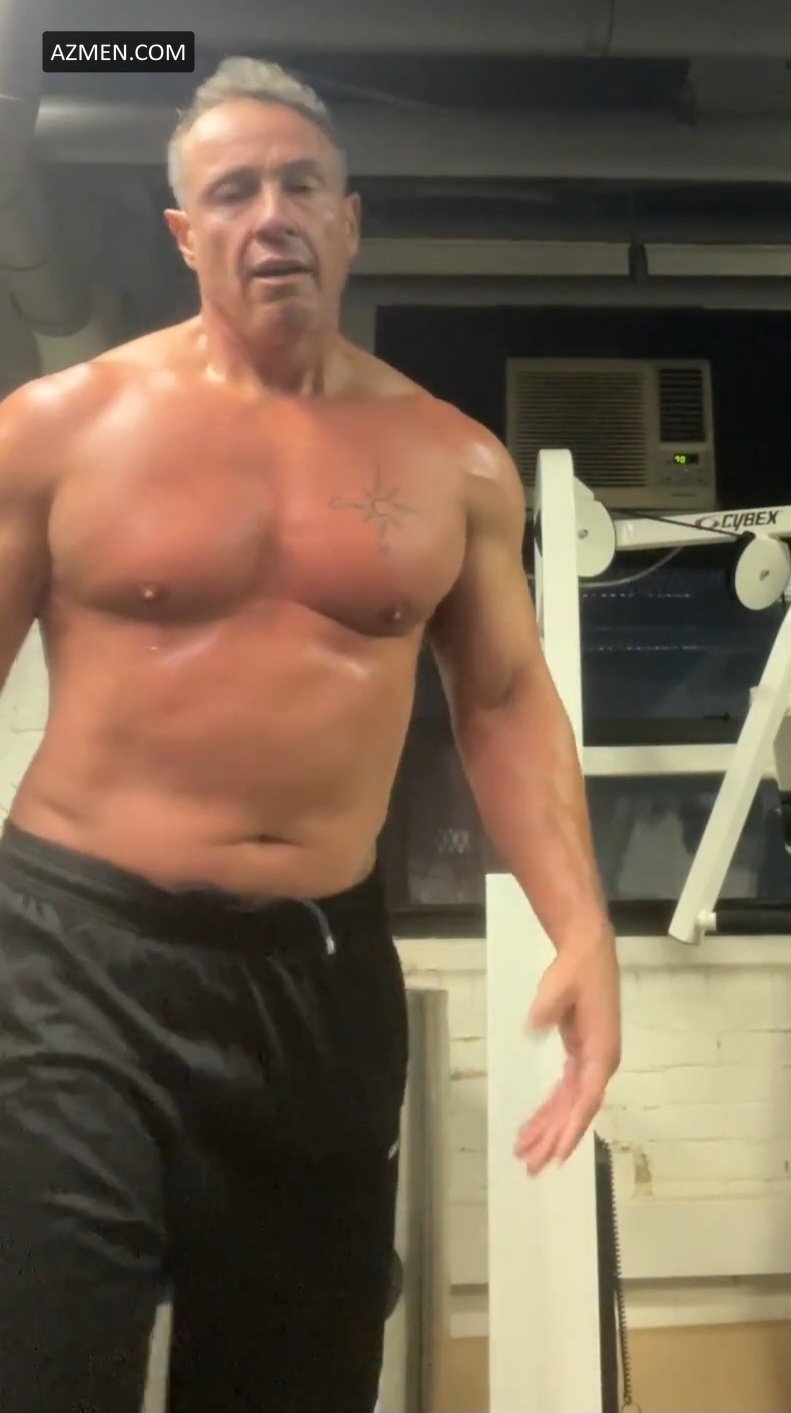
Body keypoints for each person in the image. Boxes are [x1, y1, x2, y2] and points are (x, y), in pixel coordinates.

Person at [0, 56, 621, 1413]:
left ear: (350, 219)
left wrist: (583, 924)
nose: (269, 213)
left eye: (300, 185)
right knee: (44, 1359)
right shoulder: (53, 432)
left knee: (294, 1380)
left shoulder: (455, 462)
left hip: (318, 978)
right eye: (232, 191)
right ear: (185, 232)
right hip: (72, 960)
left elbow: (503, 700)